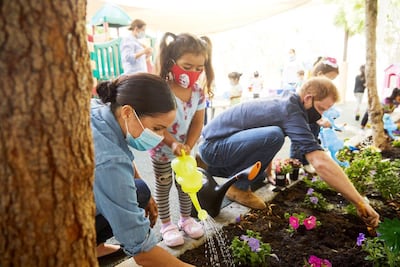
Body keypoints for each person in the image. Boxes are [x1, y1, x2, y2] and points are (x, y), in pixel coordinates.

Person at [198, 77, 380, 230]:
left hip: (219, 141)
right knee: (274, 135)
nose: (321, 115)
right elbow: (320, 161)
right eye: (322, 109)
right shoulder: (291, 111)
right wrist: (359, 201)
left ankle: (211, 165)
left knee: (274, 135)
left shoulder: (289, 102)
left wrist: (266, 172)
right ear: (308, 98)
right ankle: (238, 188)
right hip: (214, 146)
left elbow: (256, 132)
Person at [91, 73, 193, 266]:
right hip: (43, 226)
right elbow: (144, 253)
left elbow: (122, 158)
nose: (161, 136)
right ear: (128, 112)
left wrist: (143, 191)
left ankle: (94, 245)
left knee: (140, 191)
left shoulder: (102, 110)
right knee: (134, 197)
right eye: (157, 128)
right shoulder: (109, 160)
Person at [150, 32, 215, 247]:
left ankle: (186, 220)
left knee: (187, 185)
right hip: (161, 149)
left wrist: (188, 143)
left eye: (199, 68)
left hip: (185, 152)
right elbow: (157, 124)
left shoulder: (198, 92)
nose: (194, 73)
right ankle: (167, 225)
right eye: (187, 67)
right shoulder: (161, 90)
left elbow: (198, 122)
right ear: (171, 62)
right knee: (164, 185)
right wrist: (172, 143)